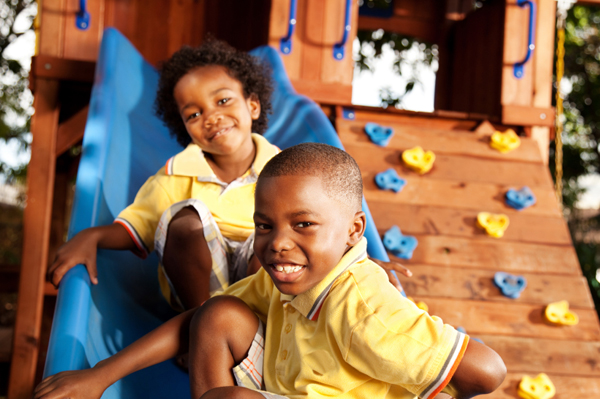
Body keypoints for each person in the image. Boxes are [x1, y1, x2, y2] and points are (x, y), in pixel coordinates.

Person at [35, 143, 506, 399]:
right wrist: (98, 376)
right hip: (287, 381)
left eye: (303, 224)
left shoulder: (365, 308)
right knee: (219, 313)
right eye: (265, 225)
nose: (277, 242)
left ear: (352, 229)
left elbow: (487, 371)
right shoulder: (284, 275)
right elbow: (198, 321)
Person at [46, 39, 410, 312]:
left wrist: (355, 257)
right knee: (184, 219)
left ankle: (256, 322)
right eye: (193, 114)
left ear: (252, 105)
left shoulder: (287, 171)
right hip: (196, 290)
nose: (211, 117)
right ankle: (199, 323)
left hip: (271, 279)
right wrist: (91, 236)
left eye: (223, 101)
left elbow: (320, 224)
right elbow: (136, 228)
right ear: (184, 126)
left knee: (271, 237)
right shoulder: (174, 176)